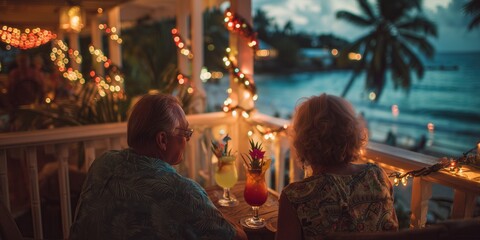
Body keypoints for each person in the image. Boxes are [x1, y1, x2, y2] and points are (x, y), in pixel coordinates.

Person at [69, 93, 247, 240]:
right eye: (185, 133)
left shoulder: (103, 163)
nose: (187, 140)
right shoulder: (181, 192)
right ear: (162, 139)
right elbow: (238, 238)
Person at [276, 93, 398, 240]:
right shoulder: (377, 176)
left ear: (303, 140)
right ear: (352, 133)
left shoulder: (294, 197)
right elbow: (393, 230)